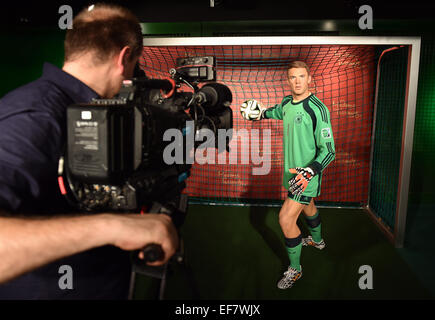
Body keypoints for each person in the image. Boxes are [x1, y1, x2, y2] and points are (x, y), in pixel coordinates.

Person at [0, 3, 178, 298]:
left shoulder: (95, 109)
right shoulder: (34, 116)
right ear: (124, 58)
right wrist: (112, 227)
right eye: (134, 66)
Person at [241, 61, 336, 289]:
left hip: (305, 177)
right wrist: (260, 113)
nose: (297, 81)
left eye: (302, 76)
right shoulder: (286, 103)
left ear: (309, 78)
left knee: (285, 218)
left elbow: (330, 151)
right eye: (293, 77)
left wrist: (310, 171)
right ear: (288, 80)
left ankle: (295, 269)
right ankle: (317, 240)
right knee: (308, 206)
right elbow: (276, 111)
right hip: (289, 172)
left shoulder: (317, 109)